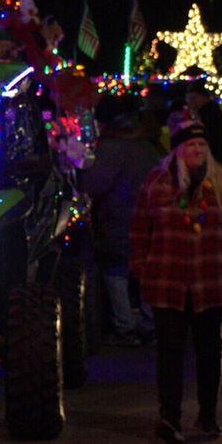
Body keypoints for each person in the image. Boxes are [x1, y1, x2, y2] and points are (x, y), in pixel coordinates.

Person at [129, 126, 222, 443]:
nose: (197, 150)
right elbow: (140, 226)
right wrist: (141, 266)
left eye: (201, 143)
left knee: (210, 352)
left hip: (212, 282)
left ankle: (207, 416)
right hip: (167, 282)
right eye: (191, 144)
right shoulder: (157, 183)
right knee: (169, 352)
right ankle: (169, 417)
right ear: (178, 150)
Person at [80, 103, 164, 345]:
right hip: (150, 217)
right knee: (147, 270)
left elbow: (96, 184)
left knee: (116, 270)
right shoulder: (147, 145)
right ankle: (150, 324)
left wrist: (83, 174)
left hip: (119, 216)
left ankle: (125, 327)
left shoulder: (112, 146)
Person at [188, 86, 222, 173]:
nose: (190, 103)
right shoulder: (215, 112)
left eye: (192, 98)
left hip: (215, 165)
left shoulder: (206, 114)